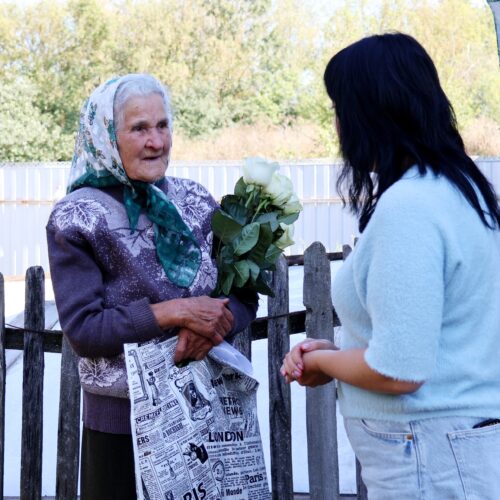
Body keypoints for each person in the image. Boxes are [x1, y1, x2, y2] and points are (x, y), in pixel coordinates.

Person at [281, 33, 500, 499]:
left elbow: (398, 370)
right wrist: (341, 355)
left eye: (340, 109)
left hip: (427, 458)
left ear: (370, 114)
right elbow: (432, 341)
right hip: (453, 447)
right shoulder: (460, 192)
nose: (337, 126)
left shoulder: (410, 208)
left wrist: (321, 360)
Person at [46, 73, 258, 500]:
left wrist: (212, 328)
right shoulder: (77, 217)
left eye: (162, 125)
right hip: (122, 428)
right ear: (106, 137)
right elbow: (85, 330)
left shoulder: (196, 201)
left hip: (212, 413)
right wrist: (177, 312)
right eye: (139, 128)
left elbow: (243, 292)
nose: (156, 142)